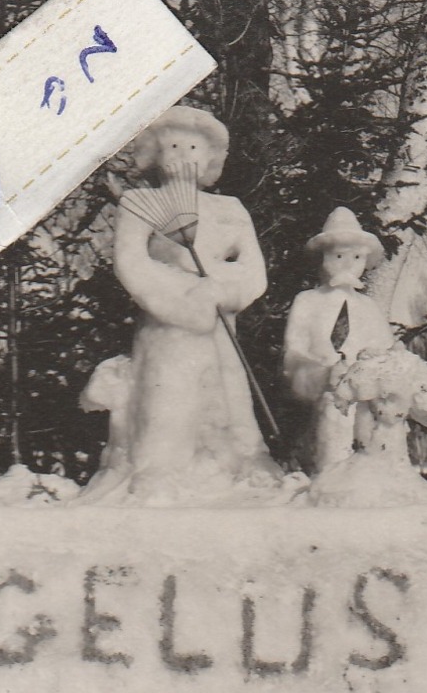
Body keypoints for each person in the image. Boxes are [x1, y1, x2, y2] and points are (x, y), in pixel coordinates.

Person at [80, 105, 279, 503]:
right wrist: (183, 300)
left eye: (192, 146)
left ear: (209, 158)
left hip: (221, 317)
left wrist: (222, 289)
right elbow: (132, 263)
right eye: (172, 145)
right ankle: (159, 465)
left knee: (229, 390)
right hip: (167, 321)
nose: (182, 153)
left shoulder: (230, 209)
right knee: (169, 389)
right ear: (154, 152)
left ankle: (244, 458)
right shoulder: (139, 203)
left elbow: (253, 269)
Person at [283, 207, 398, 472]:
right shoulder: (308, 302)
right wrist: (322, 374)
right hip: (323, 403)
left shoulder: (368, 307)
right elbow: (292, 356)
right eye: (338, 256)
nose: (347, 264)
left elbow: (387, 352)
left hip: (365, 406)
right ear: (324, 258)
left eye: (356, 257)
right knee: (330, 450)